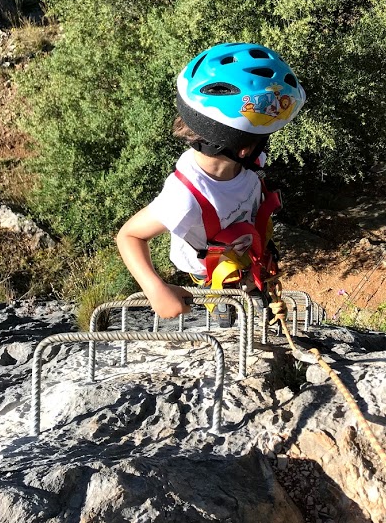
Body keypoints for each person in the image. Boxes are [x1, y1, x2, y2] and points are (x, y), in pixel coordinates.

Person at [116, 42, 306, 323]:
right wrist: (155, 289)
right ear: (243, 149)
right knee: (233, 331)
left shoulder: (250, 163)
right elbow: (129, 236)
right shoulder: (184, 198)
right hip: (214, 278)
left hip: (246, 260)